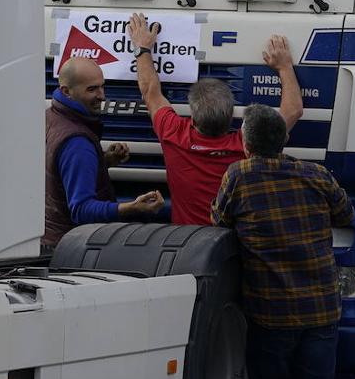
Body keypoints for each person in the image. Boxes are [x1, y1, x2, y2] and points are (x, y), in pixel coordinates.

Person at [212, 104, 353, 379]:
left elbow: (218, 221)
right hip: (322, 308)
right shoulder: (315, 174)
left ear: (245, 142)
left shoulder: (239, 176)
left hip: (270, 310)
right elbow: (346, 213)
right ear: (285, 139)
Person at [128, 12, 304, 225]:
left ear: (192, 118)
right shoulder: (250, 145)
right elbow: (293, 110)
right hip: (231, 242)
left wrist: (142, 48)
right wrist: (285, 67)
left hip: (188, 241)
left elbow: (150, 91)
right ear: (231, 117)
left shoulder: (173, 133)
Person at [42, 57, 164, 251]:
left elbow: (58, 172)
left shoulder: (50, 118)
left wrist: (102, 161)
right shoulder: (77, 143)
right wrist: (131, 208)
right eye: (92, 89)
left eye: (102, 86)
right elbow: (81, 210)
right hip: (69, 248)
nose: (102, 96)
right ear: (67, 91)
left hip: (50, 238)